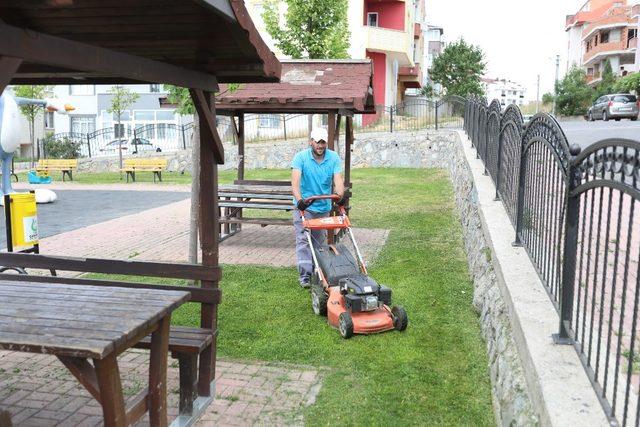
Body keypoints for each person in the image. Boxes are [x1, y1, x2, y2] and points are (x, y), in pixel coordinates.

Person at [291, 127, 344, 288]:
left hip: (323, 206)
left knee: (319, 243)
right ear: (311, 142)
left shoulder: (333, 158)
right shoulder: (300, 158)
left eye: (323, 142)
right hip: (305, 207)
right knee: (303, 240)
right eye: (317, 142)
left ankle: (318, 272)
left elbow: (338, 180)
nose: (320, 145)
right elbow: (295, 182)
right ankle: (305, 275)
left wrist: (339, 196)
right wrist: (299, 199)